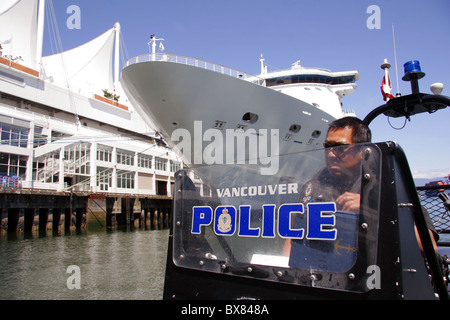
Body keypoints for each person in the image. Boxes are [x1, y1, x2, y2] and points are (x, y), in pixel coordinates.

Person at [283, 116, 438, 256]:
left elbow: (427, 247)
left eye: (340, 148)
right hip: (325, 275)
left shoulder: (388, 183)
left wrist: (373, 209)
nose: (331, 154)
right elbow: (293, 236)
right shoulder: (315, 185)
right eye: (328, 146)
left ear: (363, 151)